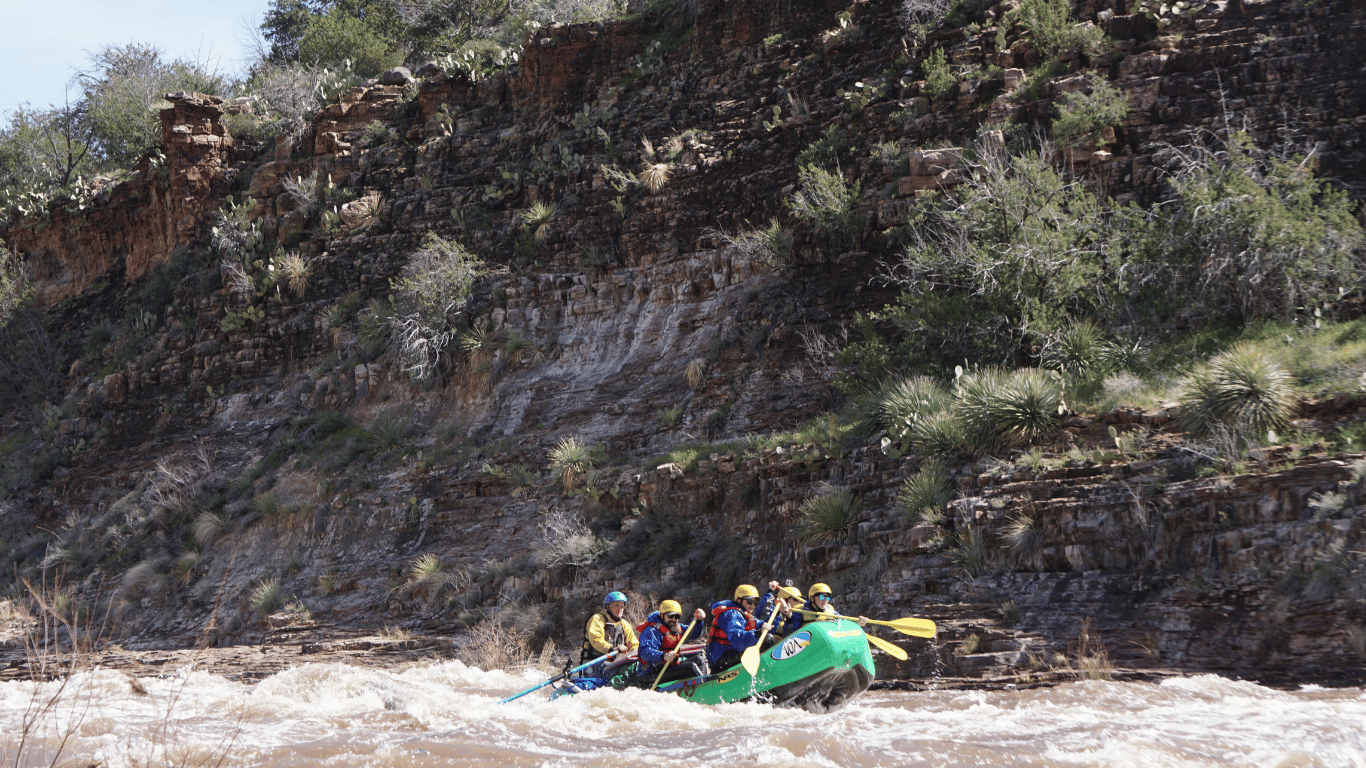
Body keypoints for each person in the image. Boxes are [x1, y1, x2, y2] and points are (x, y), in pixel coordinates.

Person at [636, 600, 706, 686]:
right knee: (690, 667)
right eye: (670, 616)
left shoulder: (677, 627)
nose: (673, 619)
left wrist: (699, 621)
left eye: (677, 616)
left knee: (700, 660)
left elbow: (694, 633)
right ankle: (704, 687)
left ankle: (703, 683)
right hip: (651, 672)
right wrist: (663, 656)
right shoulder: (651, 630)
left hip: (669, 667)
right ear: (662, 615)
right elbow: (645, 653)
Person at [581, 591, 639, 676]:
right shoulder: (597, 619)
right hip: (596, 662)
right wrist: (612, 649)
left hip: (616, 662)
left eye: (622, 606)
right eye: (616, 606)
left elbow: (634, 644)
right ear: (607, 606)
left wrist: (637, 653)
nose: (619, 609)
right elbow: (596, 640)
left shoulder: (625, 624)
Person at [802, 582, 867, 627]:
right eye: (821, 597)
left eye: (827, 597)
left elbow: (844, 622)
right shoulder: (800, 612)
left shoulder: (831, 612)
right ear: (812, 599)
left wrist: (857, 623)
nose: (825, 600)